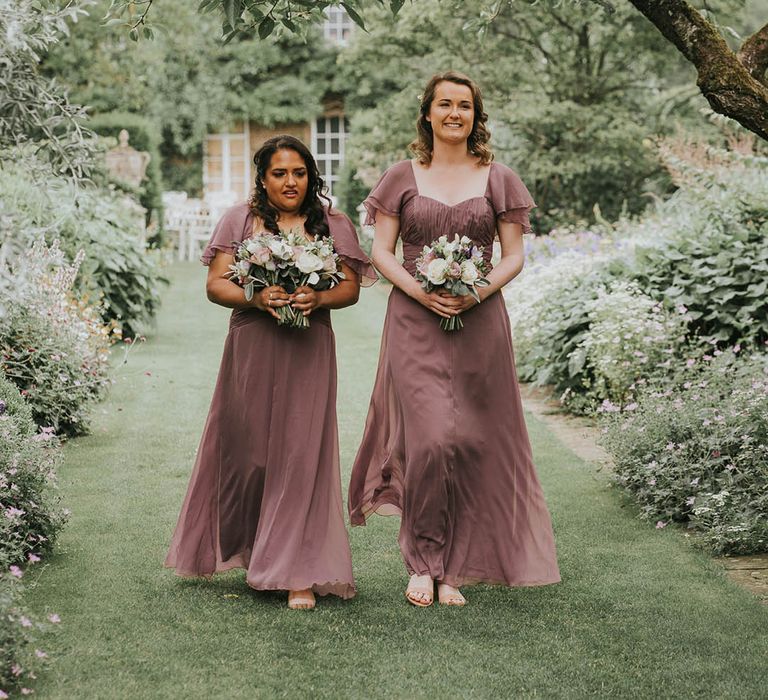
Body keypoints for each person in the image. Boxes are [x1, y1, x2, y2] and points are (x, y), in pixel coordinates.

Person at [348, 71, 560, 607]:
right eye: (444, 104)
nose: (454, 113)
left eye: (464, 106)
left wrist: (475, 292)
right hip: (414, 320)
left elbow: (513, 256)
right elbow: (382, 252)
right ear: (427, 113)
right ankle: (423, 560)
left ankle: (455, 565)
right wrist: (423, 292)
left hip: (479, 320)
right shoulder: (401, 175)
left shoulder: (499, 178)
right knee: (429, 439)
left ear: (475, 116)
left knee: (469, 442)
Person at [165, 134, 376, 609]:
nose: (290, 182)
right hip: (252, 344)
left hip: (308, 346)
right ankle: (254, 549)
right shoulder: (240, 219)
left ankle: (298, 570)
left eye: (299, 173)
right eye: (279, 173)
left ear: (311, 176)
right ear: (262, 177)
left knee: (302, 453)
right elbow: (216, 284)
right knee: (252, 451)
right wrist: (256, 297)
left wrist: (317, 297)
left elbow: (351, 288)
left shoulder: (332, 223)